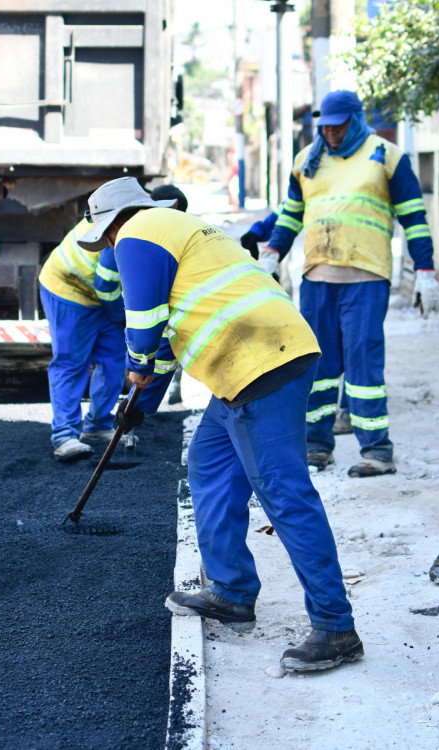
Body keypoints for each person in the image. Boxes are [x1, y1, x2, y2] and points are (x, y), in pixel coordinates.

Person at [79, 176, 363, 673]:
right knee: (208, 461)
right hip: (255, 360)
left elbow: (144, 325)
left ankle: (336, 626)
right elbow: (171, 336)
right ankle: (231, 592)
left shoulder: (137, 235)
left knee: (284, 491)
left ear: (112, 223)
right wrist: (142, 401)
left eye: (103, 236)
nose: (106, 245)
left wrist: (135, 368)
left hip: (261, 365)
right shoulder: (182, 227)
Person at [258, 89, 439, 476]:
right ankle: (316, 444)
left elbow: (414, 216)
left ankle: (377, 450)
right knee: (316, 364)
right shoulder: (308, 160)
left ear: (355, 120)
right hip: (317, 277)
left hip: (367, 278)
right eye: (325, 127)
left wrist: (425, 270)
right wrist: (274, 252)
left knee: (363, 363)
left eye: (339, 126)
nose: (332, 134)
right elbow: (291, 213)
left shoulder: (386, 156)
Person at [39, 183, 187, 461]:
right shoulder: (126, 227)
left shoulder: (150, 224)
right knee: (72, 361)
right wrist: (124, 319)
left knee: (113, 360)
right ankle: (65, 435)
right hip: (67, 288)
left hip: (102, 298)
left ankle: (97, 425)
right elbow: (106, 285)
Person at [240, 210, 353, 437]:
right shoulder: (312, 177)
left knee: (354, 347)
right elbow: (291, 209)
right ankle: (322, 420)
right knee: (326, 349)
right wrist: (261, 230)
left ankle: (351, 410)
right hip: (321, 273)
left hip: (358, 273)